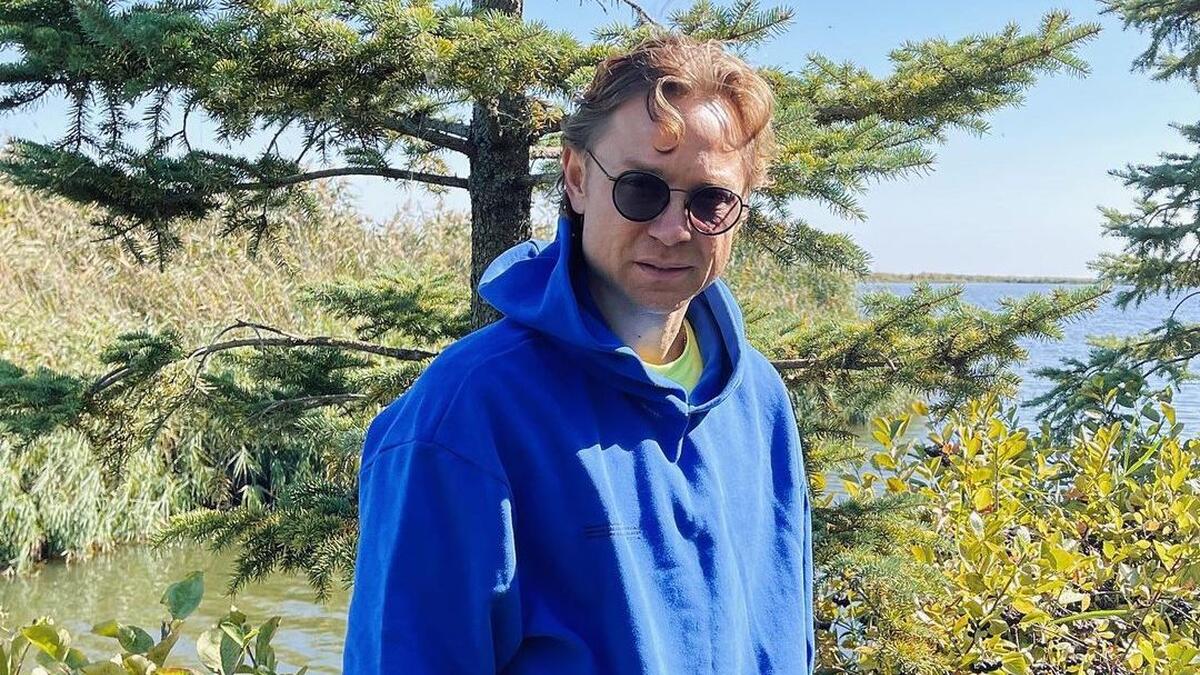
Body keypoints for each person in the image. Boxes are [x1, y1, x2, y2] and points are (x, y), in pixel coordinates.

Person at [342, 33, 816, 674]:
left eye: (710, 201)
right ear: (577, 179)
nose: (672, 230)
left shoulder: (758, 400)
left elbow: (785, 638)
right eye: (642, 189)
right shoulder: (467, 412)